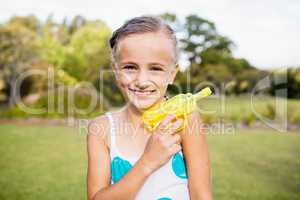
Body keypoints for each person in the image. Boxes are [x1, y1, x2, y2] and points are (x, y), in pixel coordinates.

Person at [86, 15, 213, 200]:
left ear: (172, 74)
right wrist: (147, 162)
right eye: (130, 67)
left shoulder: (184, 120)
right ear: (116, 72)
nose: (142, 81)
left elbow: (201, 195)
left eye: (155, 68)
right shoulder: (101, 130)